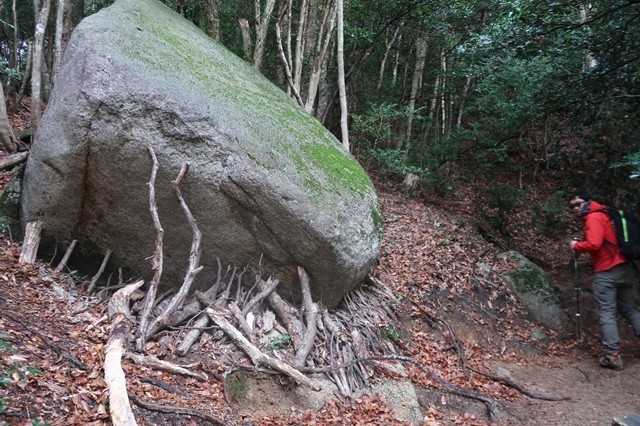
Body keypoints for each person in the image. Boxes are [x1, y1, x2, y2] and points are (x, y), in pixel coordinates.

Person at [569, 191, 640, 370]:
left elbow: (594, 243)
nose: (575, 208)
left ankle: (612, 355)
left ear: (588, 202)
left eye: (578, 204)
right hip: (625, 269)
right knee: (630, 310)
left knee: (607, 312)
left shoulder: (593, 218)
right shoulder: (606, 215)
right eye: (572, 206)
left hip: (607, 272)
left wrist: (576, 245)